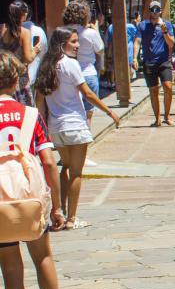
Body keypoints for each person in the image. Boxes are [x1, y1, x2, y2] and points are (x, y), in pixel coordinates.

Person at [0, 50, 73, 289]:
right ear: (16, 79)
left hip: (1, 205)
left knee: (11, 270)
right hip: (30, 202)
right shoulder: (29, 114)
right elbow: (47, 162)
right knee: (42, 256)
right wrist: (57, 207)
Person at [32, 28, 120, 229]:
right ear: (62, 43)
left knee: (65, 168)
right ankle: (72, 218)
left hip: (56, 127)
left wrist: (42, 126)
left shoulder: (47, 66)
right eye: (73, 42)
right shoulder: (70, 64)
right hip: (75, 125)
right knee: (76, 173)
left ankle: (60, 212)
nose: (78, 45)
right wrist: (109, 112)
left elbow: (39, 100)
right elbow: (88, 93)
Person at [62, 1, 106, 124]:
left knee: (70, 112)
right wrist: (96, 30)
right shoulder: (90, 33)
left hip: (66, 75)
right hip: (87, 74)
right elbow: (100, 49)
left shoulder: (61, 32)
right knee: (88, 114)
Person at [137, 2, 175, 126]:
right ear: (149, 11)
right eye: (153, 9)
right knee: (153, 91)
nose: (155, 11)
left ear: (160, 11)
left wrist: (165, 32)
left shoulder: (167, 25)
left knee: (168, 87)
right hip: (149, 62)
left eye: (157, 9)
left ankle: (167, 115)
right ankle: (157, 118)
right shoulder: (143, 25)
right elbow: (137, 41)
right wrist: (133, 59)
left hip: (164, 61)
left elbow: (171, 44)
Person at [2, 1, 37, 105]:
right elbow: (28, 58)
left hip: (3, 75)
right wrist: (35, 50)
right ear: (24, 14)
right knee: (25, 111)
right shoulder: (24, 32)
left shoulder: (1, 28)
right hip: (19, 78)